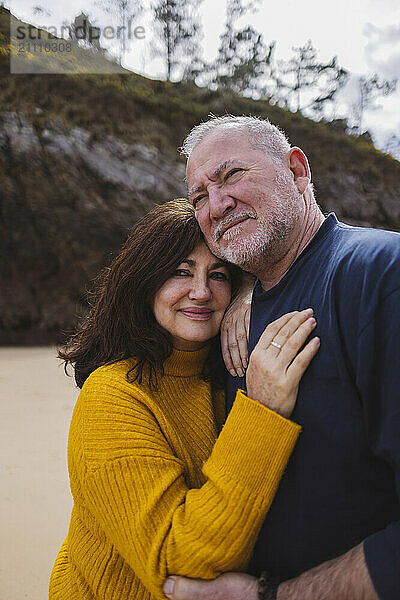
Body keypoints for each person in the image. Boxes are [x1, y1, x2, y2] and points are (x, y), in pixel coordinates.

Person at [162, 116, 400, 600]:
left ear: (296, 169)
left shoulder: (377, 275)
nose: (217, 204)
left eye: (232, 175)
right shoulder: (222, 310)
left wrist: (277, 596)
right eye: (199, 197)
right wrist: (246, 286)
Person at [49, 199, 320, 600]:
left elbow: (299, 228)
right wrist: (263, 412)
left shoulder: (221, 377)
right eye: (180, 272)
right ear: (144, 281)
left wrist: (251, 293)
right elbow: (182, 563)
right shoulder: (113, 395)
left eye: (219, 275)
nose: (201, 292)